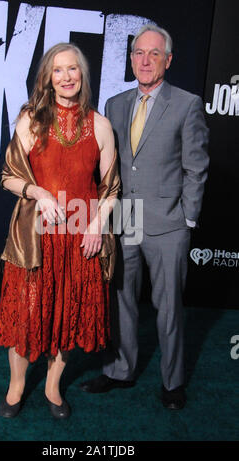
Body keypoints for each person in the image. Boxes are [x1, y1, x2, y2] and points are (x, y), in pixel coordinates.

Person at [80, 24, 209, 409]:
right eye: (139, 52)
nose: (146, 60)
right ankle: (120, 370)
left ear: (167, 60)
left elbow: (196, 167)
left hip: (169, 223)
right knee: (120, 299)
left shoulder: (187, 104)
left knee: (169, 307)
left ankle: (172, 383)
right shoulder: (116, 104)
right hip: (125, 221)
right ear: (132, 58)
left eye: (155, 53)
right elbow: (110, 166)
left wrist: (188, 218)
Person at [0, 42, 120, 419]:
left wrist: (98, 224)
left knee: (67, 314)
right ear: (48, 78)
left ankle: (52, 387)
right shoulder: (30, 119)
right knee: (26, 314)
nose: (67, 77)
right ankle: (16, 387)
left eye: (73, 69)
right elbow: (8, 177)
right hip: (35, 236)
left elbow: (111, 190)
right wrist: (38, 192)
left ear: (82, 75)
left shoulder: (100, 125)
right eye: (58, 70)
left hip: (81, 236)